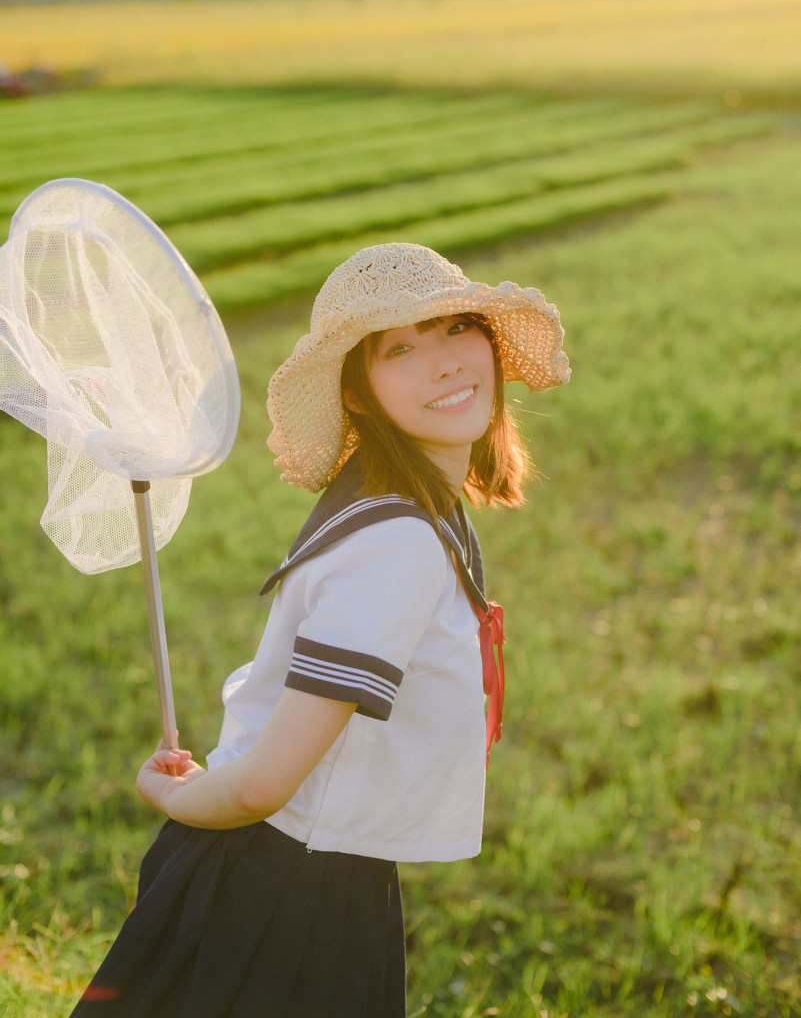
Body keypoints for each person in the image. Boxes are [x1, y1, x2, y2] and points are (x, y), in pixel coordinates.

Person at [71, 242, 569, 1018]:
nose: (441, 363)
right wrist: (176, 800)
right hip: (283, 892)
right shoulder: (397, 542)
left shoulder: (396, 499)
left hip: (301, 865)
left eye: (454, 328)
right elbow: (267, 784)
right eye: (399, 348)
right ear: (360, 394)